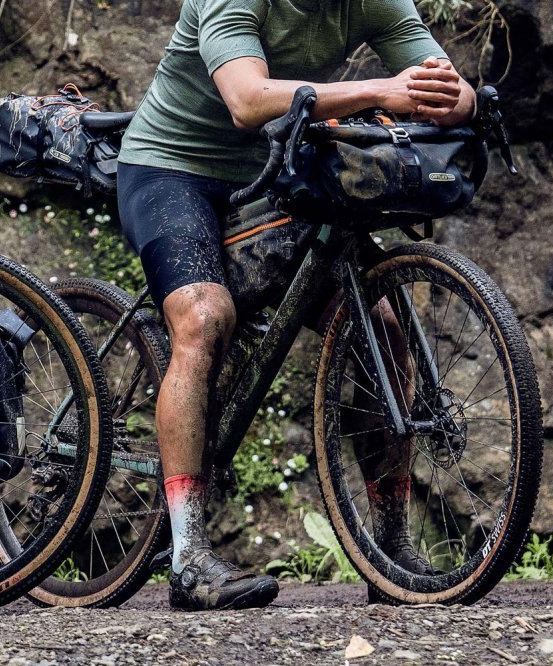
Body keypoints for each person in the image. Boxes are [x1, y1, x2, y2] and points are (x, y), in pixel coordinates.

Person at [114, 0, 476, 611]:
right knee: (204, 319)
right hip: (171, 170)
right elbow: (247, 100)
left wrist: (451, 96)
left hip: (279, 173)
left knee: (383, 330)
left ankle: (390, 544)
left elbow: (453, 93)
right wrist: (380, 91)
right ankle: (187, 559)